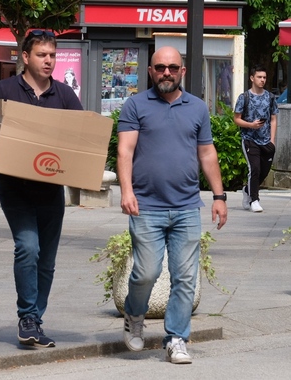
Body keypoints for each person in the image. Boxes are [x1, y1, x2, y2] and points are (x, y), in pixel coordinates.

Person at [0, 30, 83, 348]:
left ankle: (35, 317)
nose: (48, 61)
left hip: (50, 189)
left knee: (46, 260)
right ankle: (27, 316)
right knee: (28, 248)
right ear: (25, 57)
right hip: (14, 187)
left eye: (52, 55)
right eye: (42, 55)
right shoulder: (4, 89)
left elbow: (80, 133)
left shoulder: (63, 94)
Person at [117, 46, 228, 364]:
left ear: (182, 71)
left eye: (173, 67)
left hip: (186, 207)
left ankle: (176, 337)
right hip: (147, 206)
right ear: (151, 71)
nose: (167, 72)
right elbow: (125, 151)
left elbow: (207, 154)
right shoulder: (135, 105)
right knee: (146, 272)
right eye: (161, 67)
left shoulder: (197, 108)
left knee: (185, 277)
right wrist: (127, 191)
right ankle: (135, 315)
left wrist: (219, 197)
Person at [234, 64, 279, 212]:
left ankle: (248, 190)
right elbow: (236, 119)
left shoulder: (270, 97)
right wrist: (250, 125)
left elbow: (273, 119)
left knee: (264, 171)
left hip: (266, 140)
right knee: (254, 169)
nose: (262, 80)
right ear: (252, 78)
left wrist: (272, 140)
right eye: (259, 77)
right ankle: (254, 200)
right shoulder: (244, 97)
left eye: (264, 77)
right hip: (249, 139)